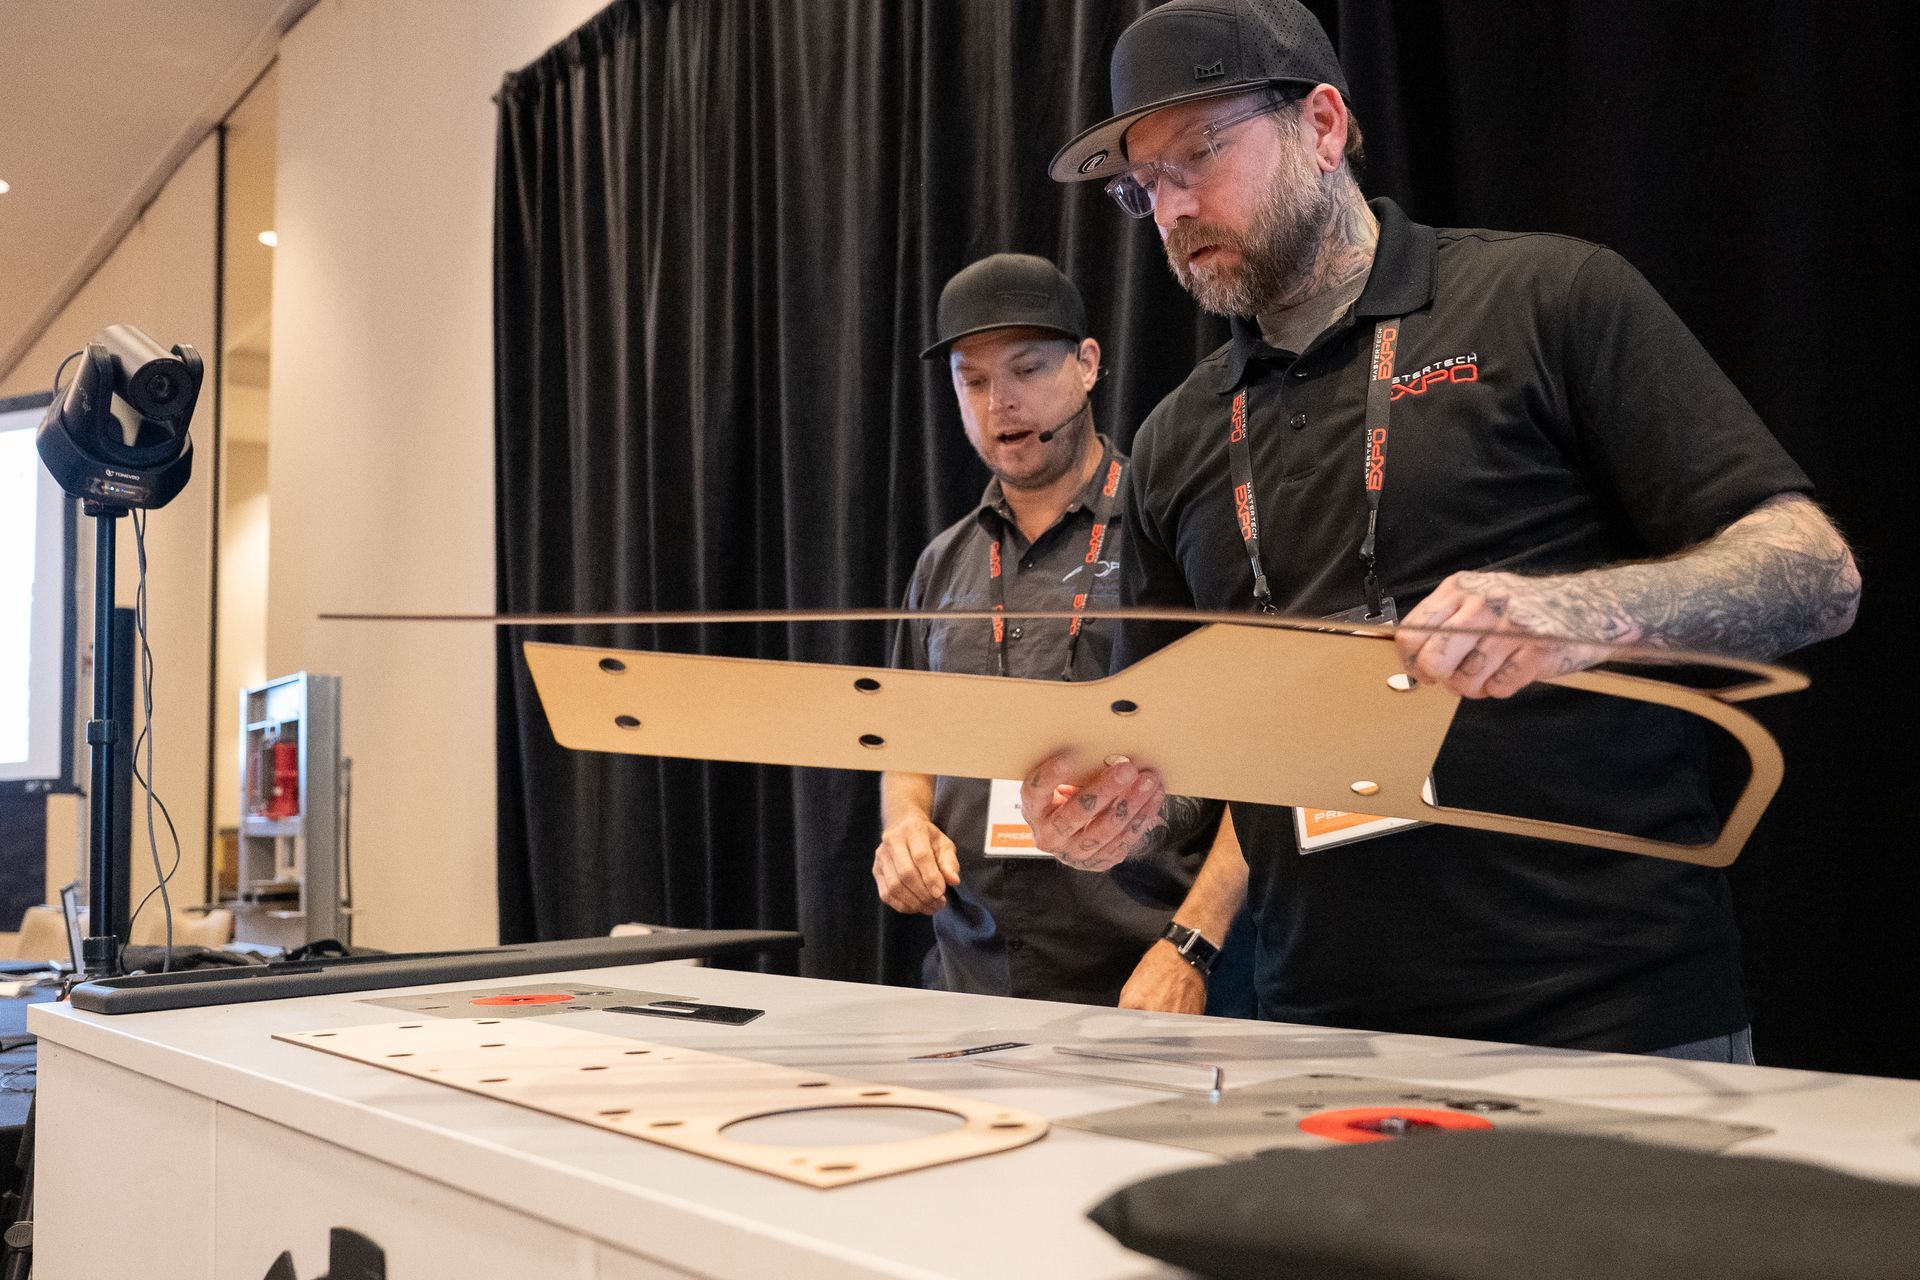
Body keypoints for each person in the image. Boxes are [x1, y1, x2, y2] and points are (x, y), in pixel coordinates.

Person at [1017, 0, 1861, 1059]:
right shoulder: (1179, 438)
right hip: (1319, 1036)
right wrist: (1117, 814)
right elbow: (1176, 760)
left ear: (1322, 126)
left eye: (1199, 153)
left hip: (1611, 1019)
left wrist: (1583, 607)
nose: (1174, 207)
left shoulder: (1546, 297)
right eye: (1145, 187)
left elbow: (1814, 570)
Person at [879, 252, 1250, 1013]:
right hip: (969, 987)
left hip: (1153, 982)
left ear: (1087, 365)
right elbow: (905, 741)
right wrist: (905, 826)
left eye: (1025, 370)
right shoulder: (942, 563)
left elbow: (1265, 758)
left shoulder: (1172, 535)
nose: (999, 404)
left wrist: (1192, 944)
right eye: (972, 380)